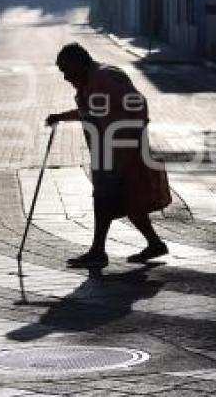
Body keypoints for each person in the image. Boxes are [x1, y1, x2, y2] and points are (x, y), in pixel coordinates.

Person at [46, 43, 171, 268]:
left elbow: (138, 104)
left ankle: (98, 251)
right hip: (107, 152)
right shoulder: (90, 81)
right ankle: (153, 244)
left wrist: (128, 137)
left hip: (121, 151)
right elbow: (89, 112)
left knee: (106, 198)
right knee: (124, 199)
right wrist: (60, 117)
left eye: (66, 70)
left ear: (79, 63)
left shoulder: (104, 77)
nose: (65, 77)